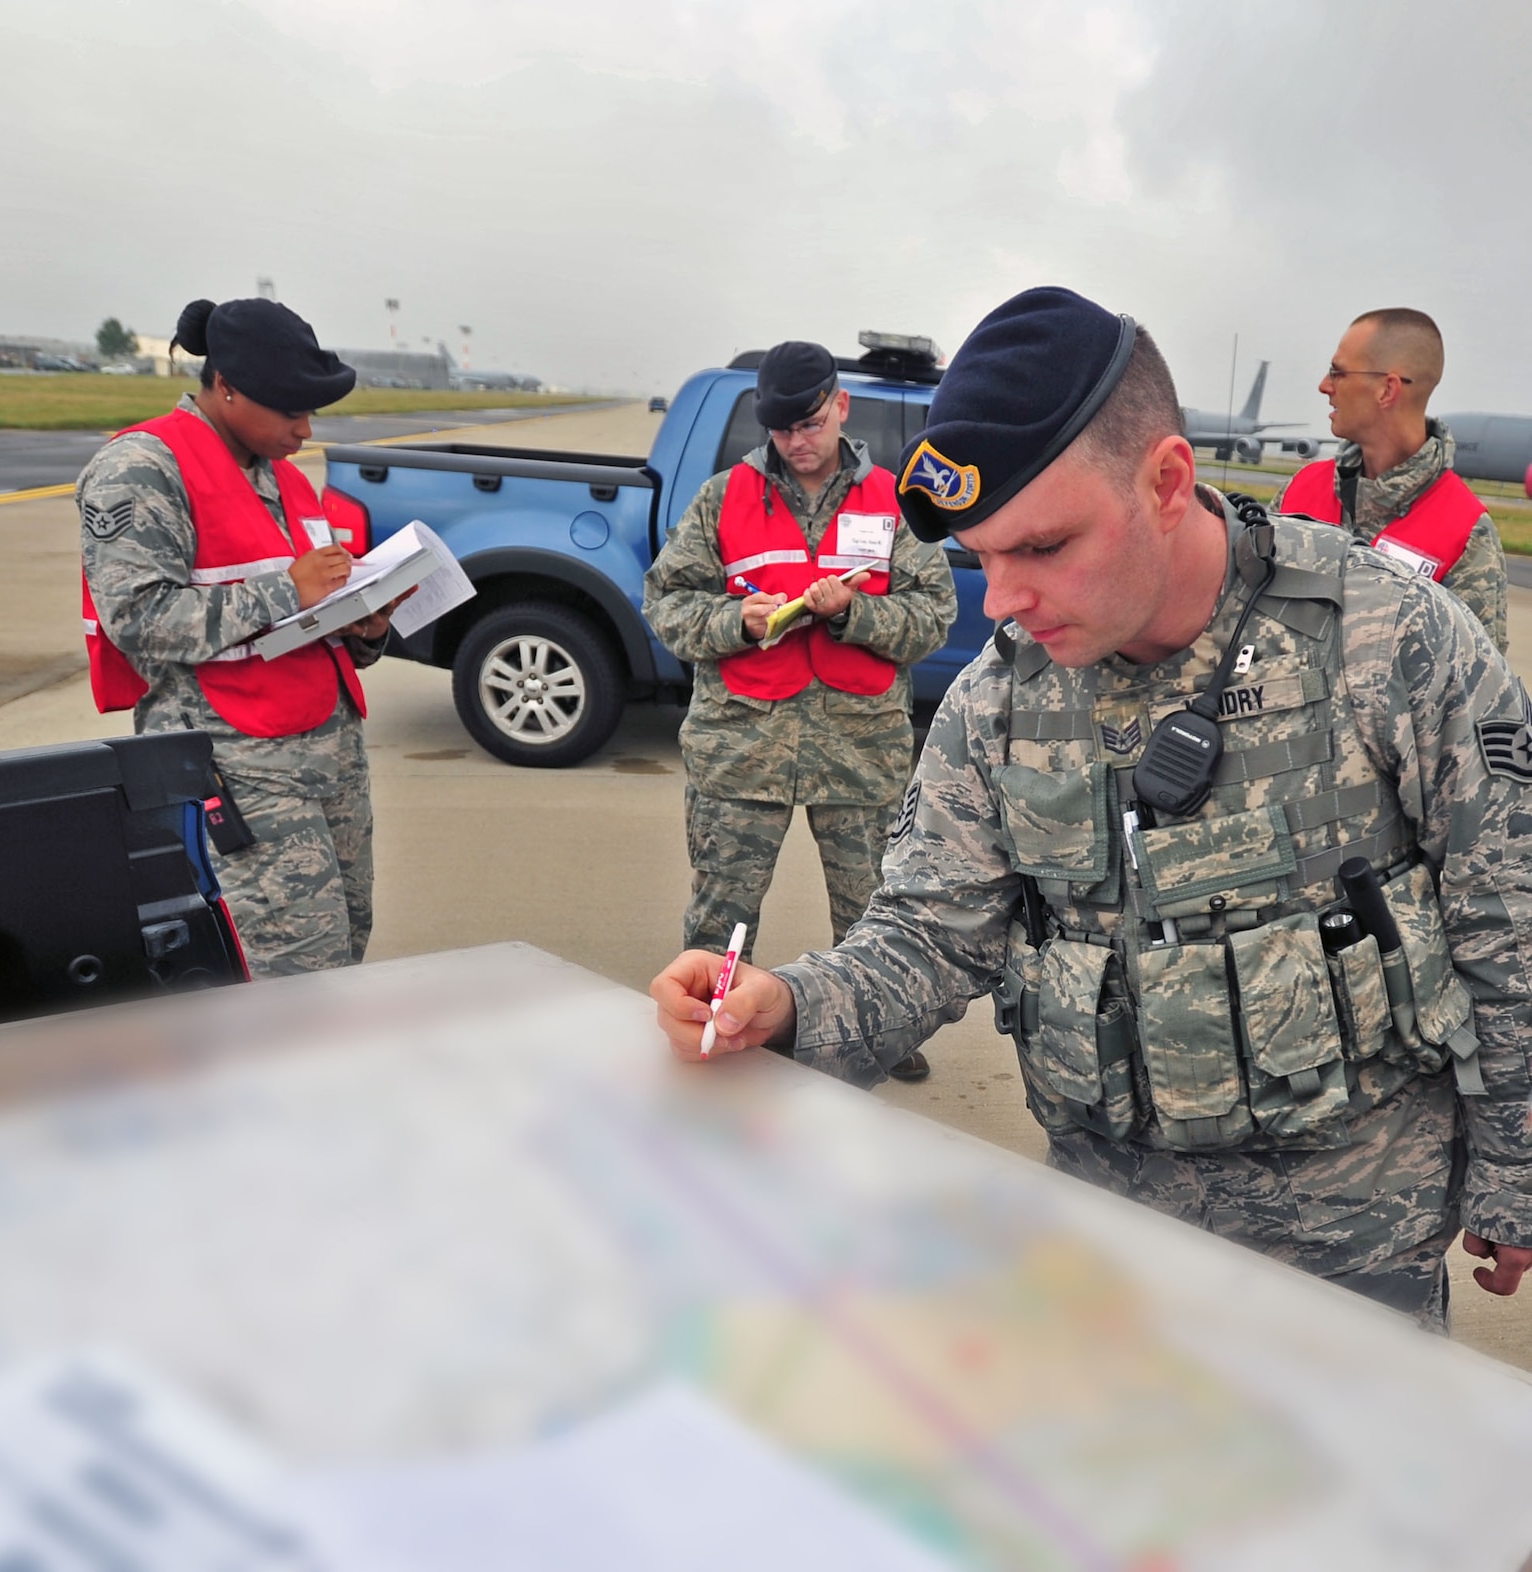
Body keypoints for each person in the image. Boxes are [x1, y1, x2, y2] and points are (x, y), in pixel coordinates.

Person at [651, 286, 1532, 1327]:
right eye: (981, 558)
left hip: (1349, 1261)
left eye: (1041, 548)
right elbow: (927, 937)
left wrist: (1513, 1176)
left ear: (1164, 481)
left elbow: (1506, 917)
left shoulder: (1390, 641)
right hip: (1103, 1250)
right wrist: (787, 1006)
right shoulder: (999, 699)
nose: (1002, 600)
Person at [643, 341, 956, 1082]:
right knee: (723, 916)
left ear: (840, 406)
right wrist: (735, 623)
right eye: (783, 429)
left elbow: (934, 616)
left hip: (857, 750)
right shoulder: (724, 498)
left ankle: (879, 1032)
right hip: (742, 747)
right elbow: (667, 600)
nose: (798, 442)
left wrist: (855, 614)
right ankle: (713, 1025)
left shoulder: (892, 500)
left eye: (810, 423)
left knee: (874, 913)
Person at [79, 296, 391, 976]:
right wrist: (291, 588)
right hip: (241, 770)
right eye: (290, 411)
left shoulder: (277, 472)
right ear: (226, 387)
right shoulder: (142, 468)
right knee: (294, 975)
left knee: (346, 951)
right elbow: (139, 622)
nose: (305, 430)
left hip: (326, 760)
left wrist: (365, 625)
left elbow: (306, 617)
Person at [1274, 308, 1508, 650]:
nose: (1325, 386)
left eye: (1338, 373)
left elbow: (1473, 691)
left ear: (1387, 390)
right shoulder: (1299, 491)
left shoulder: (1466, 535)